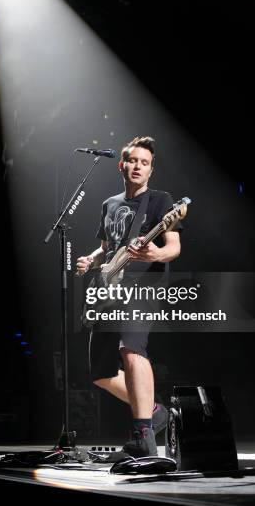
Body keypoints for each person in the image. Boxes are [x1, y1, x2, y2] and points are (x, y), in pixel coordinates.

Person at [76, 136, 182, 457]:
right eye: (133, 161)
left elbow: (173, 247)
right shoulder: (109, 204)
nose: (138, 167)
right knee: (100, 375)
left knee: (131, 350)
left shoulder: (162, 201)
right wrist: (91, 260)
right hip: (109, 290)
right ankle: (156, 413)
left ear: (151, 169)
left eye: (144, 163)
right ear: (122, 165)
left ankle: (143, 436)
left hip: (142, 286)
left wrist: (155, 253)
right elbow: (109, 247)